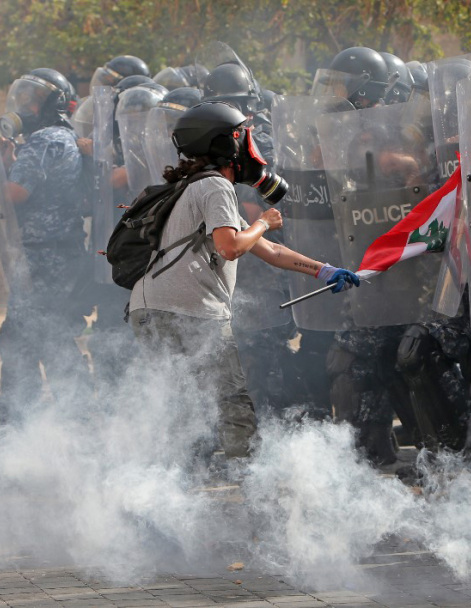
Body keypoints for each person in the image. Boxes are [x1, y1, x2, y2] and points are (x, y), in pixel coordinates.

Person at [128, 101, 359, 461]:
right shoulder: (217, 188)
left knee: (179, 396)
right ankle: (246, 475)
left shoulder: (189, 186)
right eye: (240, 136)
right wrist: (264, 221)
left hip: (147, 307)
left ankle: (173, 475)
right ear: (224, 143)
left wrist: (324, 271)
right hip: (190, 308)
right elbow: (232, 246)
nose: (248, 146)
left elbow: (270, 251)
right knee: (230, 397)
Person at [0, 68, 93, 413]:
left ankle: (27, 412)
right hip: (53, 256)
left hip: (45, 258)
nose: (26, 107)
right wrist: (3, 163)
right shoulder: (59, 138)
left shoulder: (45, 141)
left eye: (35, 101)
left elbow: (13, 193)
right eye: (24, 99)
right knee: (40, 334)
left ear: (55, 105)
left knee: (28, 336)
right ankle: (64, 413)